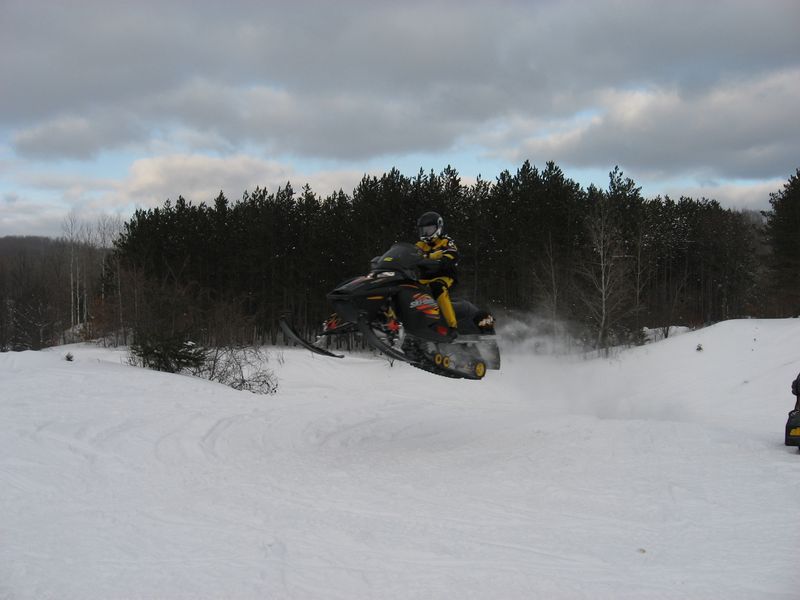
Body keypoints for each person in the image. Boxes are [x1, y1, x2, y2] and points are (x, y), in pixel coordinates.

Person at [415, 211, 459, 331]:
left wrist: (441, 259)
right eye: (423, 230)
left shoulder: (446, 241)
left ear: (438, 228)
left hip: (444, 276)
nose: (425, 233)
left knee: (437, 287)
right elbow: (411, 253)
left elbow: (453, 254)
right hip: (425, 278)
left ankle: (452, 326)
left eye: (429, 229)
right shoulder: (421, 245)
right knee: (409, 289)